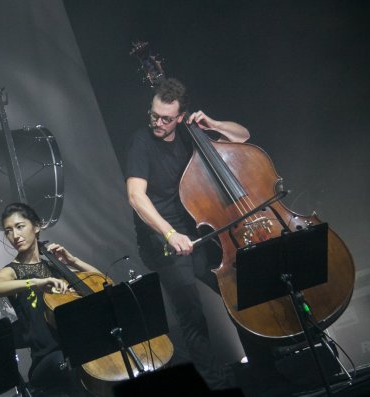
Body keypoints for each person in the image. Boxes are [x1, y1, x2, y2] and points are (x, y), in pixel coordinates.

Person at [125, 77, 250, 390]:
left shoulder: (188, 132)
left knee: (240, 292)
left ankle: (264, 364)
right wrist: (170, 234)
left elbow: (244, 137)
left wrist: (212, 123)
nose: (158, 122)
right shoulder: (141, 141)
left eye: (166, 118)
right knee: (192, 315)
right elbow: (136, 196)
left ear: (180, 117)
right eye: (154, 115)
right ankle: (217, 385)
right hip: (162, 236)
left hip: (198, 226)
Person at [0, 202, 99, 396]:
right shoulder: (13, 270)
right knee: (72, 363)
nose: (15, 236)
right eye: (9, 231)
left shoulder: (53, 267)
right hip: (47, 358)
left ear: (36, 226)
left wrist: (73, 261)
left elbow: (100, 282)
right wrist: (35, 283)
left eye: (20, 226)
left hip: (75, 347)